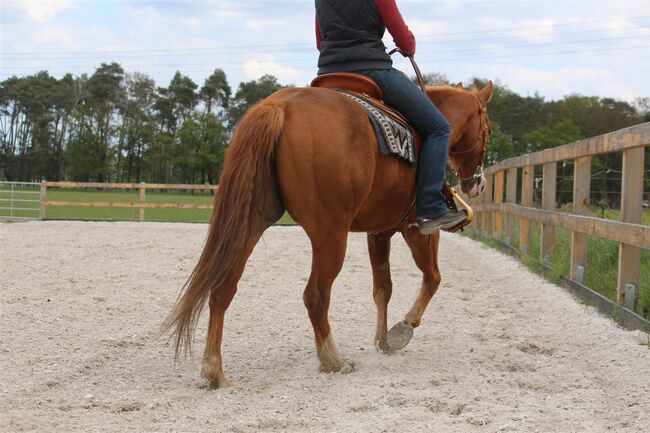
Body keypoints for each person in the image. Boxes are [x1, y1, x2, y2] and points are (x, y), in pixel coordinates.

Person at [315, 0, 466, 234]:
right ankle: (431, 206)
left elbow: (319, 41)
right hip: (372, 69)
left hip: (328, 73)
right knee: (439, 128)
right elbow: (404, 41)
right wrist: (410, 45)